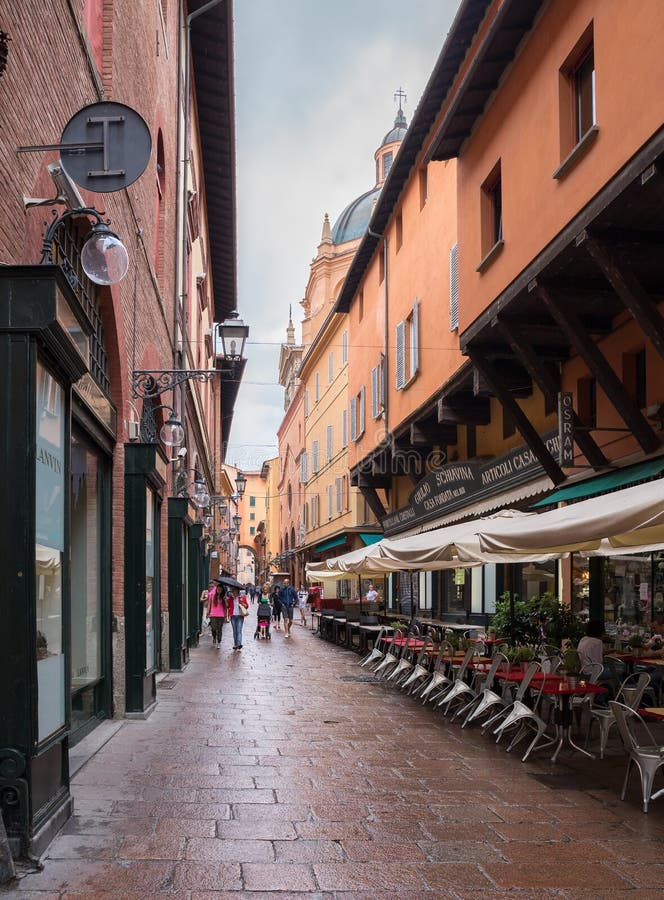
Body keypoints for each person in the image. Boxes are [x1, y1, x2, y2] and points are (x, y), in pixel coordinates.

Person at [226, 583, 249, 650]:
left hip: (240, 616)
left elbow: (247, 606)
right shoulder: (230, 598)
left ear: (238, 591)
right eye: (233, 591)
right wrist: (225, 600)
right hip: (233, 616)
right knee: (234, 631)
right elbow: (227, 606)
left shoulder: (242, 598)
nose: (234, 592)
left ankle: (239, 644)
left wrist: (242, 603)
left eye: (235, 591)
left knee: (239, 630)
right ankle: (235, 644)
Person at [208, 582, 227, 647]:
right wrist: (208, 612)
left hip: (221, 615)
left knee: (219, 629)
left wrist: (225, 600)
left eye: (220, 590)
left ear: (222, 590)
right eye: (218, 589)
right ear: (216, 589)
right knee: (213, 628)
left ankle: (219, 641)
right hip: (213, 614)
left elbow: (226, 607)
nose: (219, 591)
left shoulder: (223, 597)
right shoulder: (212, 595)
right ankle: (214, 637)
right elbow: (209, 604)